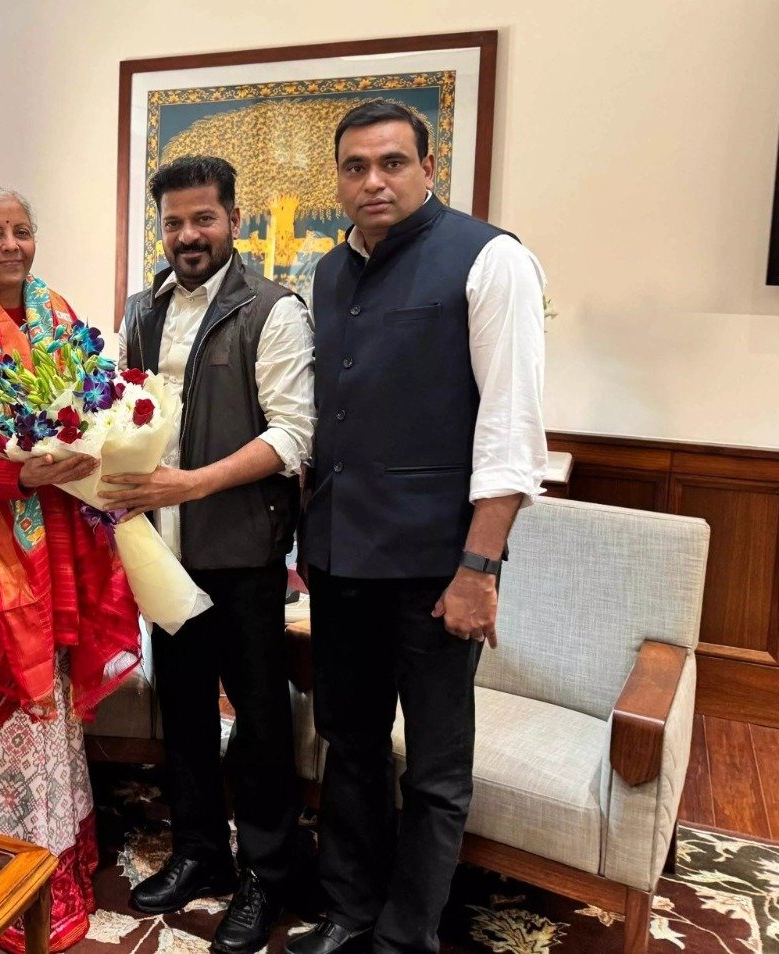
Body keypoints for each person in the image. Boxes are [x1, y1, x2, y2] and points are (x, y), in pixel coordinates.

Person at [289, 100, 547, 954]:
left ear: (429, 169)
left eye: (392, 163)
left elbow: (511, 432)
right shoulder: (329, 273)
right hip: (340, 560)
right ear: (338, 180)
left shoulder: (491, 259)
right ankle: (350, 910)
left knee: (434, 770)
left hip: (438, 568)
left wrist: (480, 567)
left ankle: (406, 938)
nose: (374, 181)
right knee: (351, 746)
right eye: (355, 166)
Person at [0, 186, 141, 952]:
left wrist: (92, 453)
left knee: (47, 703)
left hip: (51, 538)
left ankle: (46, 872)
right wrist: (17, 477)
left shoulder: (60, 317)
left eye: (21, 231)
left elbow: (95, 408)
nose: (10, 245)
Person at [105, 155, 315, 954]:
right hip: (161, 553)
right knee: (183, 711)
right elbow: (119, 408)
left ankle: (268, 873)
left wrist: (191, 485)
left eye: (203, 219)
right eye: (174, 222)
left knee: (258, 722)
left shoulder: (273, 311)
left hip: (243, 554)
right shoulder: (141, 310)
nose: (188, 235)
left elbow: (293, 436)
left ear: (234, 220)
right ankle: (200, 853)